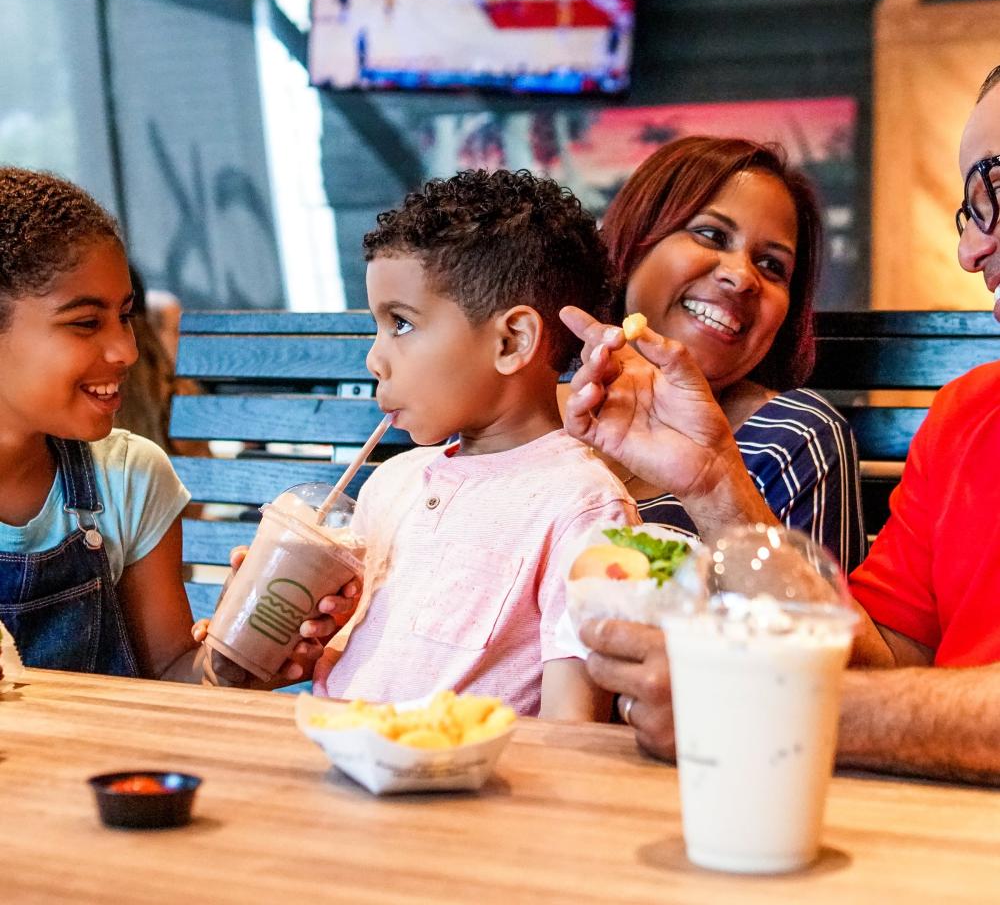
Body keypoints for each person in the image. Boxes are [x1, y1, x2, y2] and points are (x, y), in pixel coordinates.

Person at [568, 66, 1000, 785]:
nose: (970, 251)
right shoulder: (966, 416)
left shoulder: (801, 432)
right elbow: (879, 662)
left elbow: (837, 692)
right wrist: (714, 481)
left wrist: (763, 704)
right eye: (972, 209)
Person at [0, 168, 352, 685]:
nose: (127, 350)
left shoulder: (129, 477)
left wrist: (242, 650)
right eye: (85, 322)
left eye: (126, 316)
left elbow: (170, 671)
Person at [311, 168, 639, 720]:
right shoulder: (391, 484)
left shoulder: (583, 509)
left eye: (402, 324)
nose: (374, 358)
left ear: (512, 341)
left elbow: (571, 731)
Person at [580, 135, 865, 573]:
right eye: (711, 234)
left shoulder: (793, 438)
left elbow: (816, 632)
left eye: (772, 265)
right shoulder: (529, 406)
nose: (742, 276)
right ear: (634, 240)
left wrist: (716, 486)